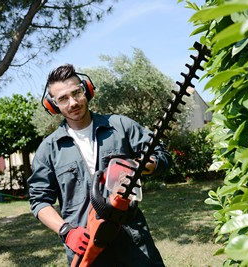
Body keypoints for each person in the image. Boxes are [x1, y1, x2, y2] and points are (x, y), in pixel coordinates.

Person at [28, 64, 171, 266]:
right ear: (53, 105)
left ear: (86, 89)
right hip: (85, 245)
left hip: (133, 239)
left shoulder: (120, 126)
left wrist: (142, 165)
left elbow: (161, 156)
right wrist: (66, 231)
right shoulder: (49, 149)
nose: (73, 102)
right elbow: (39, 201)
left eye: (76, 92)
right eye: (63, 98)